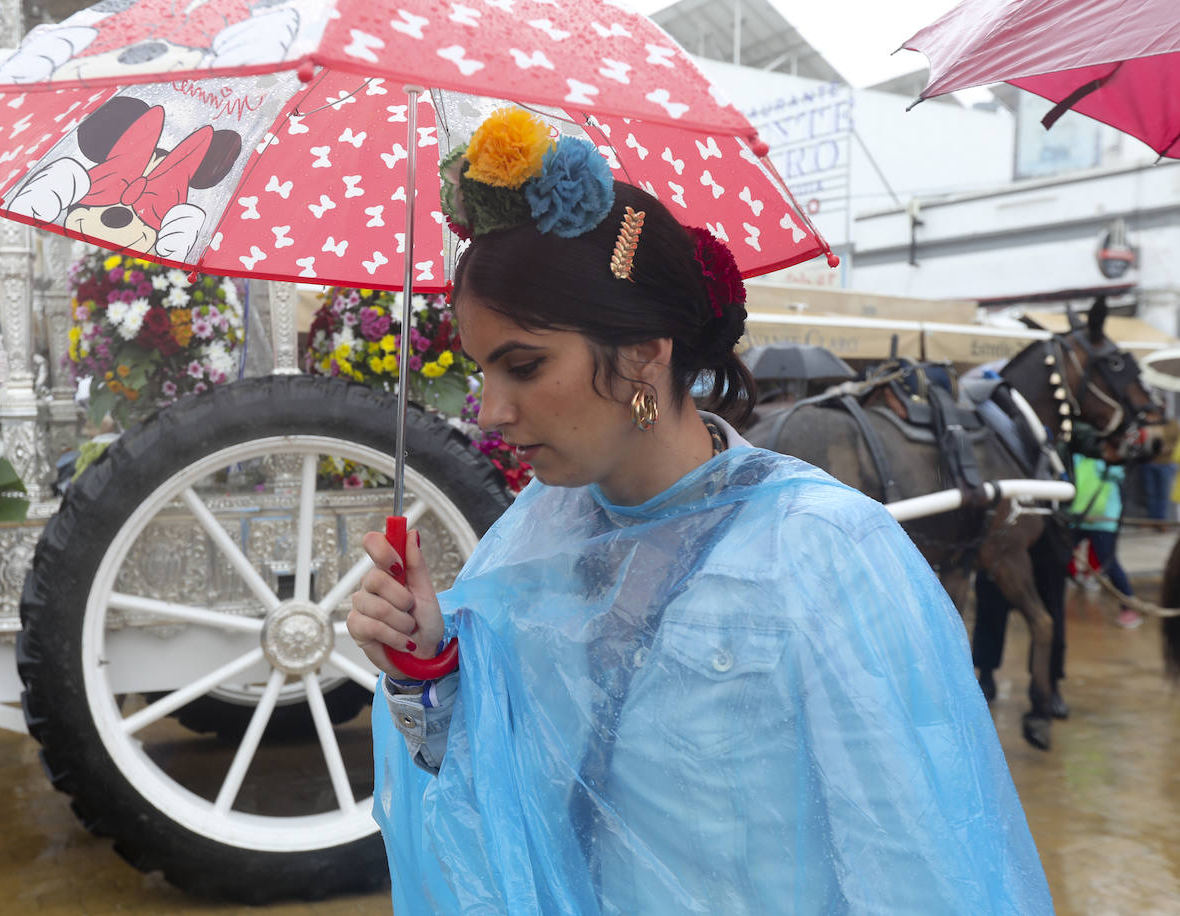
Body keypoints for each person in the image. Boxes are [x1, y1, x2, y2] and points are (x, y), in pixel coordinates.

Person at [346, 110, 1051, 913]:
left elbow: (914, 861)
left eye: (524, 365)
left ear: (647, 351)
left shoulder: (825, 551)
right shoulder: (528, 537)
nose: (490, 411)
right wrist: (427, 672)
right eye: (481, 371)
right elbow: (499, 807)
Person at [971, 517, 1071, 716]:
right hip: (1003, 533)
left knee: (1052, 613)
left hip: (1046, 531)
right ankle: (986, 676)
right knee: (990, 609)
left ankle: (1050, 686)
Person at [1070, 453, 1140, 628]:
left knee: (1109, 564)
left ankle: (1129, 607)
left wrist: (1109, 460)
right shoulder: (1077, 457)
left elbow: (1119, 473)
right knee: (1058, 556)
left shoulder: (1109, 457)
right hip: (1077, 517)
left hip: (1103, 520)